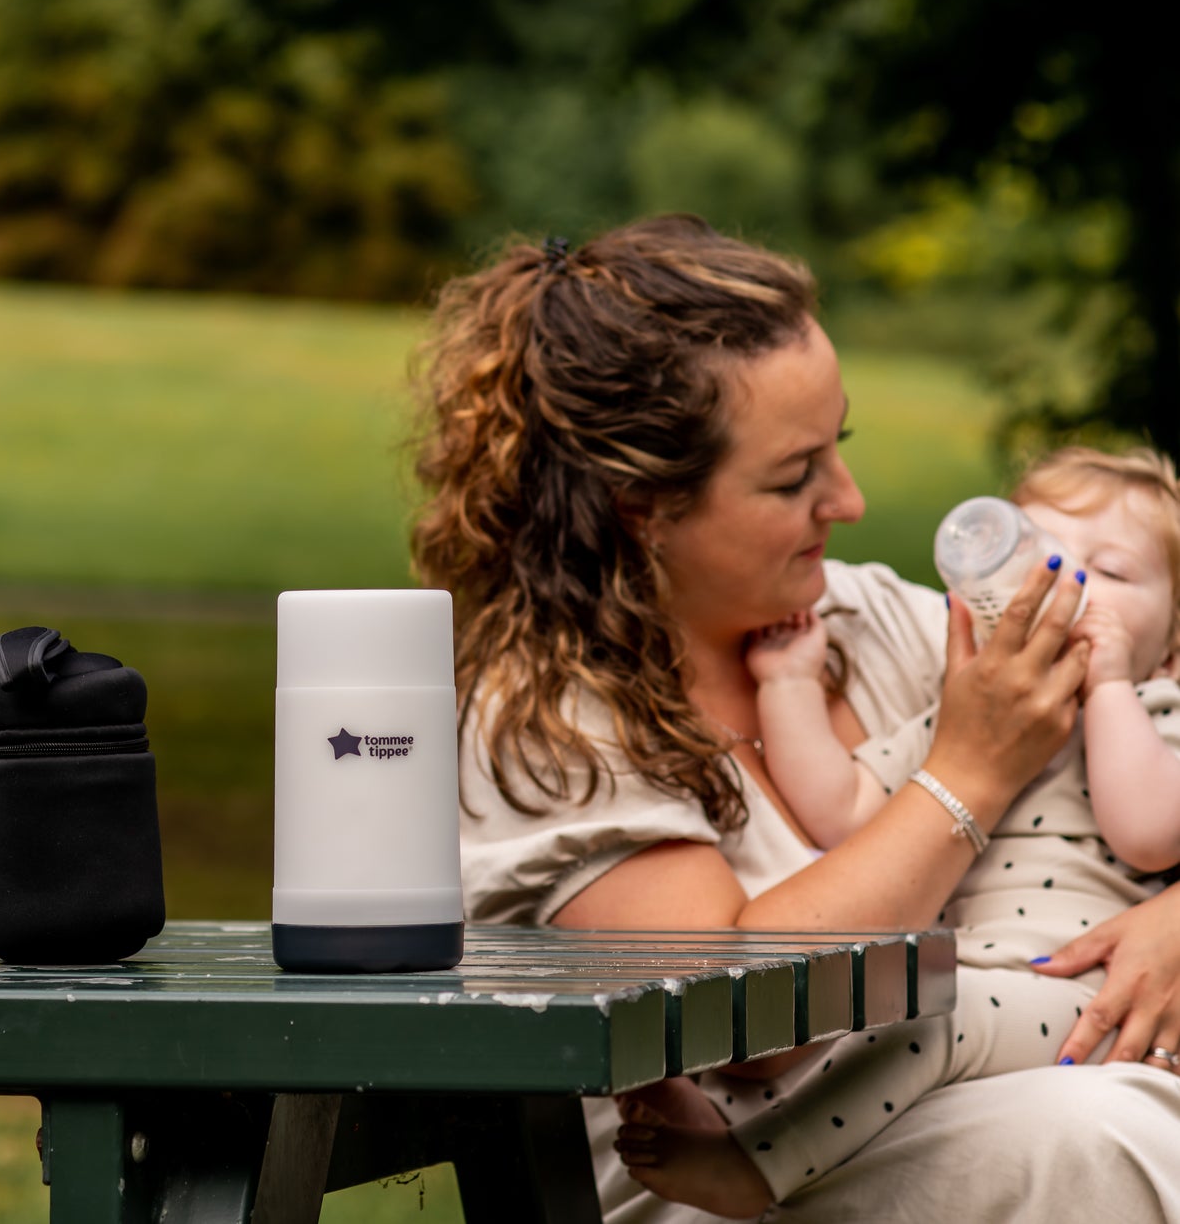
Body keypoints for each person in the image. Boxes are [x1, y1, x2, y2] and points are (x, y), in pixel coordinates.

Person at [408, 214, 1180, 1223]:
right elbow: (734, 1019)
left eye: (838, 447)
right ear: (640, 505)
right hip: (718, 1188)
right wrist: (968, 772)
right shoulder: (545, 725)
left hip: (976, 1105)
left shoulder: (865, 623)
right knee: (1097, 1135)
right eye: (791, 476)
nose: (850, 499)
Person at [610, 445, 1180, 1215]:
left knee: (928, 1019)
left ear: (1174, 643)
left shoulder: (1160, 720)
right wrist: (788, 683)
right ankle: (725, 1127)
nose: (1062, 589)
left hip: (1083, 1001)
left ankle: (755, 1170)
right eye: (1040, 555)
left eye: (1106, 572)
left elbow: (1148, 831)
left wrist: (1108, 684)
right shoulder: (970, 712)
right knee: (879, 1012)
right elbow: (839, 806)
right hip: (976, 988)